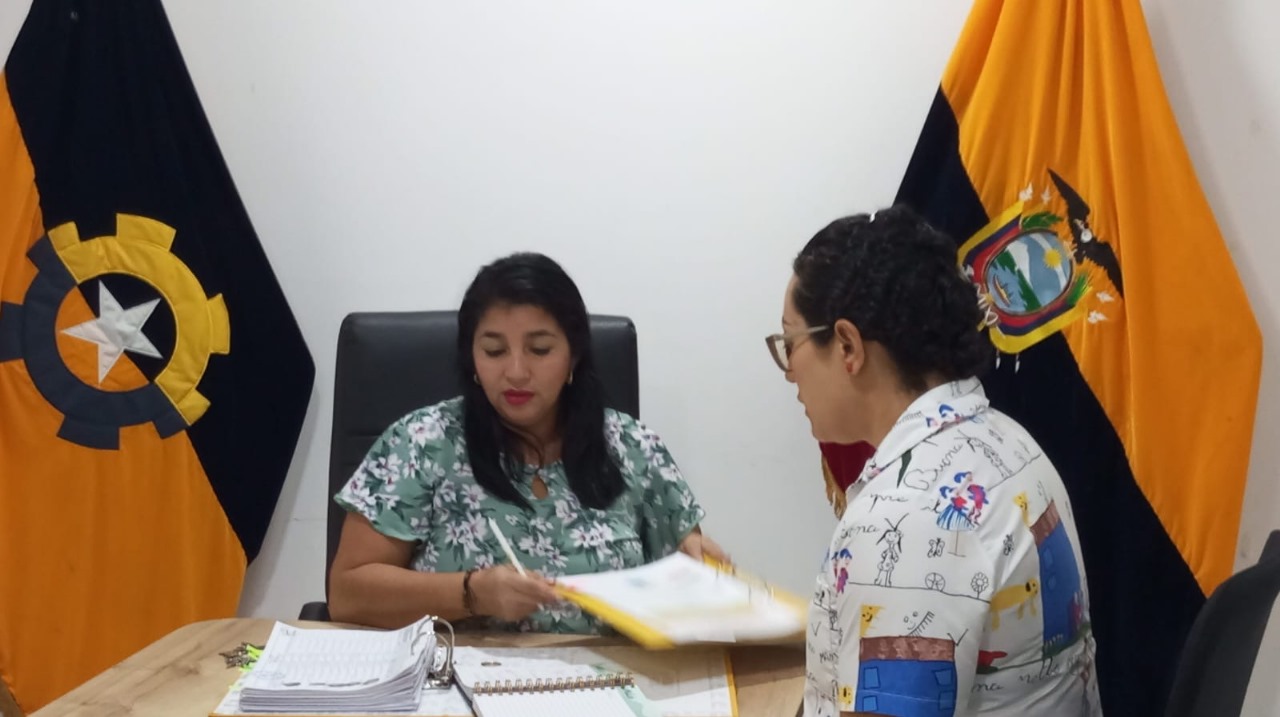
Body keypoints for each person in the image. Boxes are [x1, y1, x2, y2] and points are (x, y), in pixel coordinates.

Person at [769, 206, 1101, 716]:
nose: (789, 372)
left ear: (847, 345)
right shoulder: (1008, 441)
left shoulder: (906, 523)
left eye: (790, 343)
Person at [329, 251, 724, 632]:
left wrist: (699, 573)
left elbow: (685, 576)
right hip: (457, 674)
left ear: (573, 356)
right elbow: (347, 595)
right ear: (472, 359)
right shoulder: (421, 443)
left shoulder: (634, 447)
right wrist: (470, 593)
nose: (516, 372)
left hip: (609, 673)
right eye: (494, 351)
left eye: (539, 350)